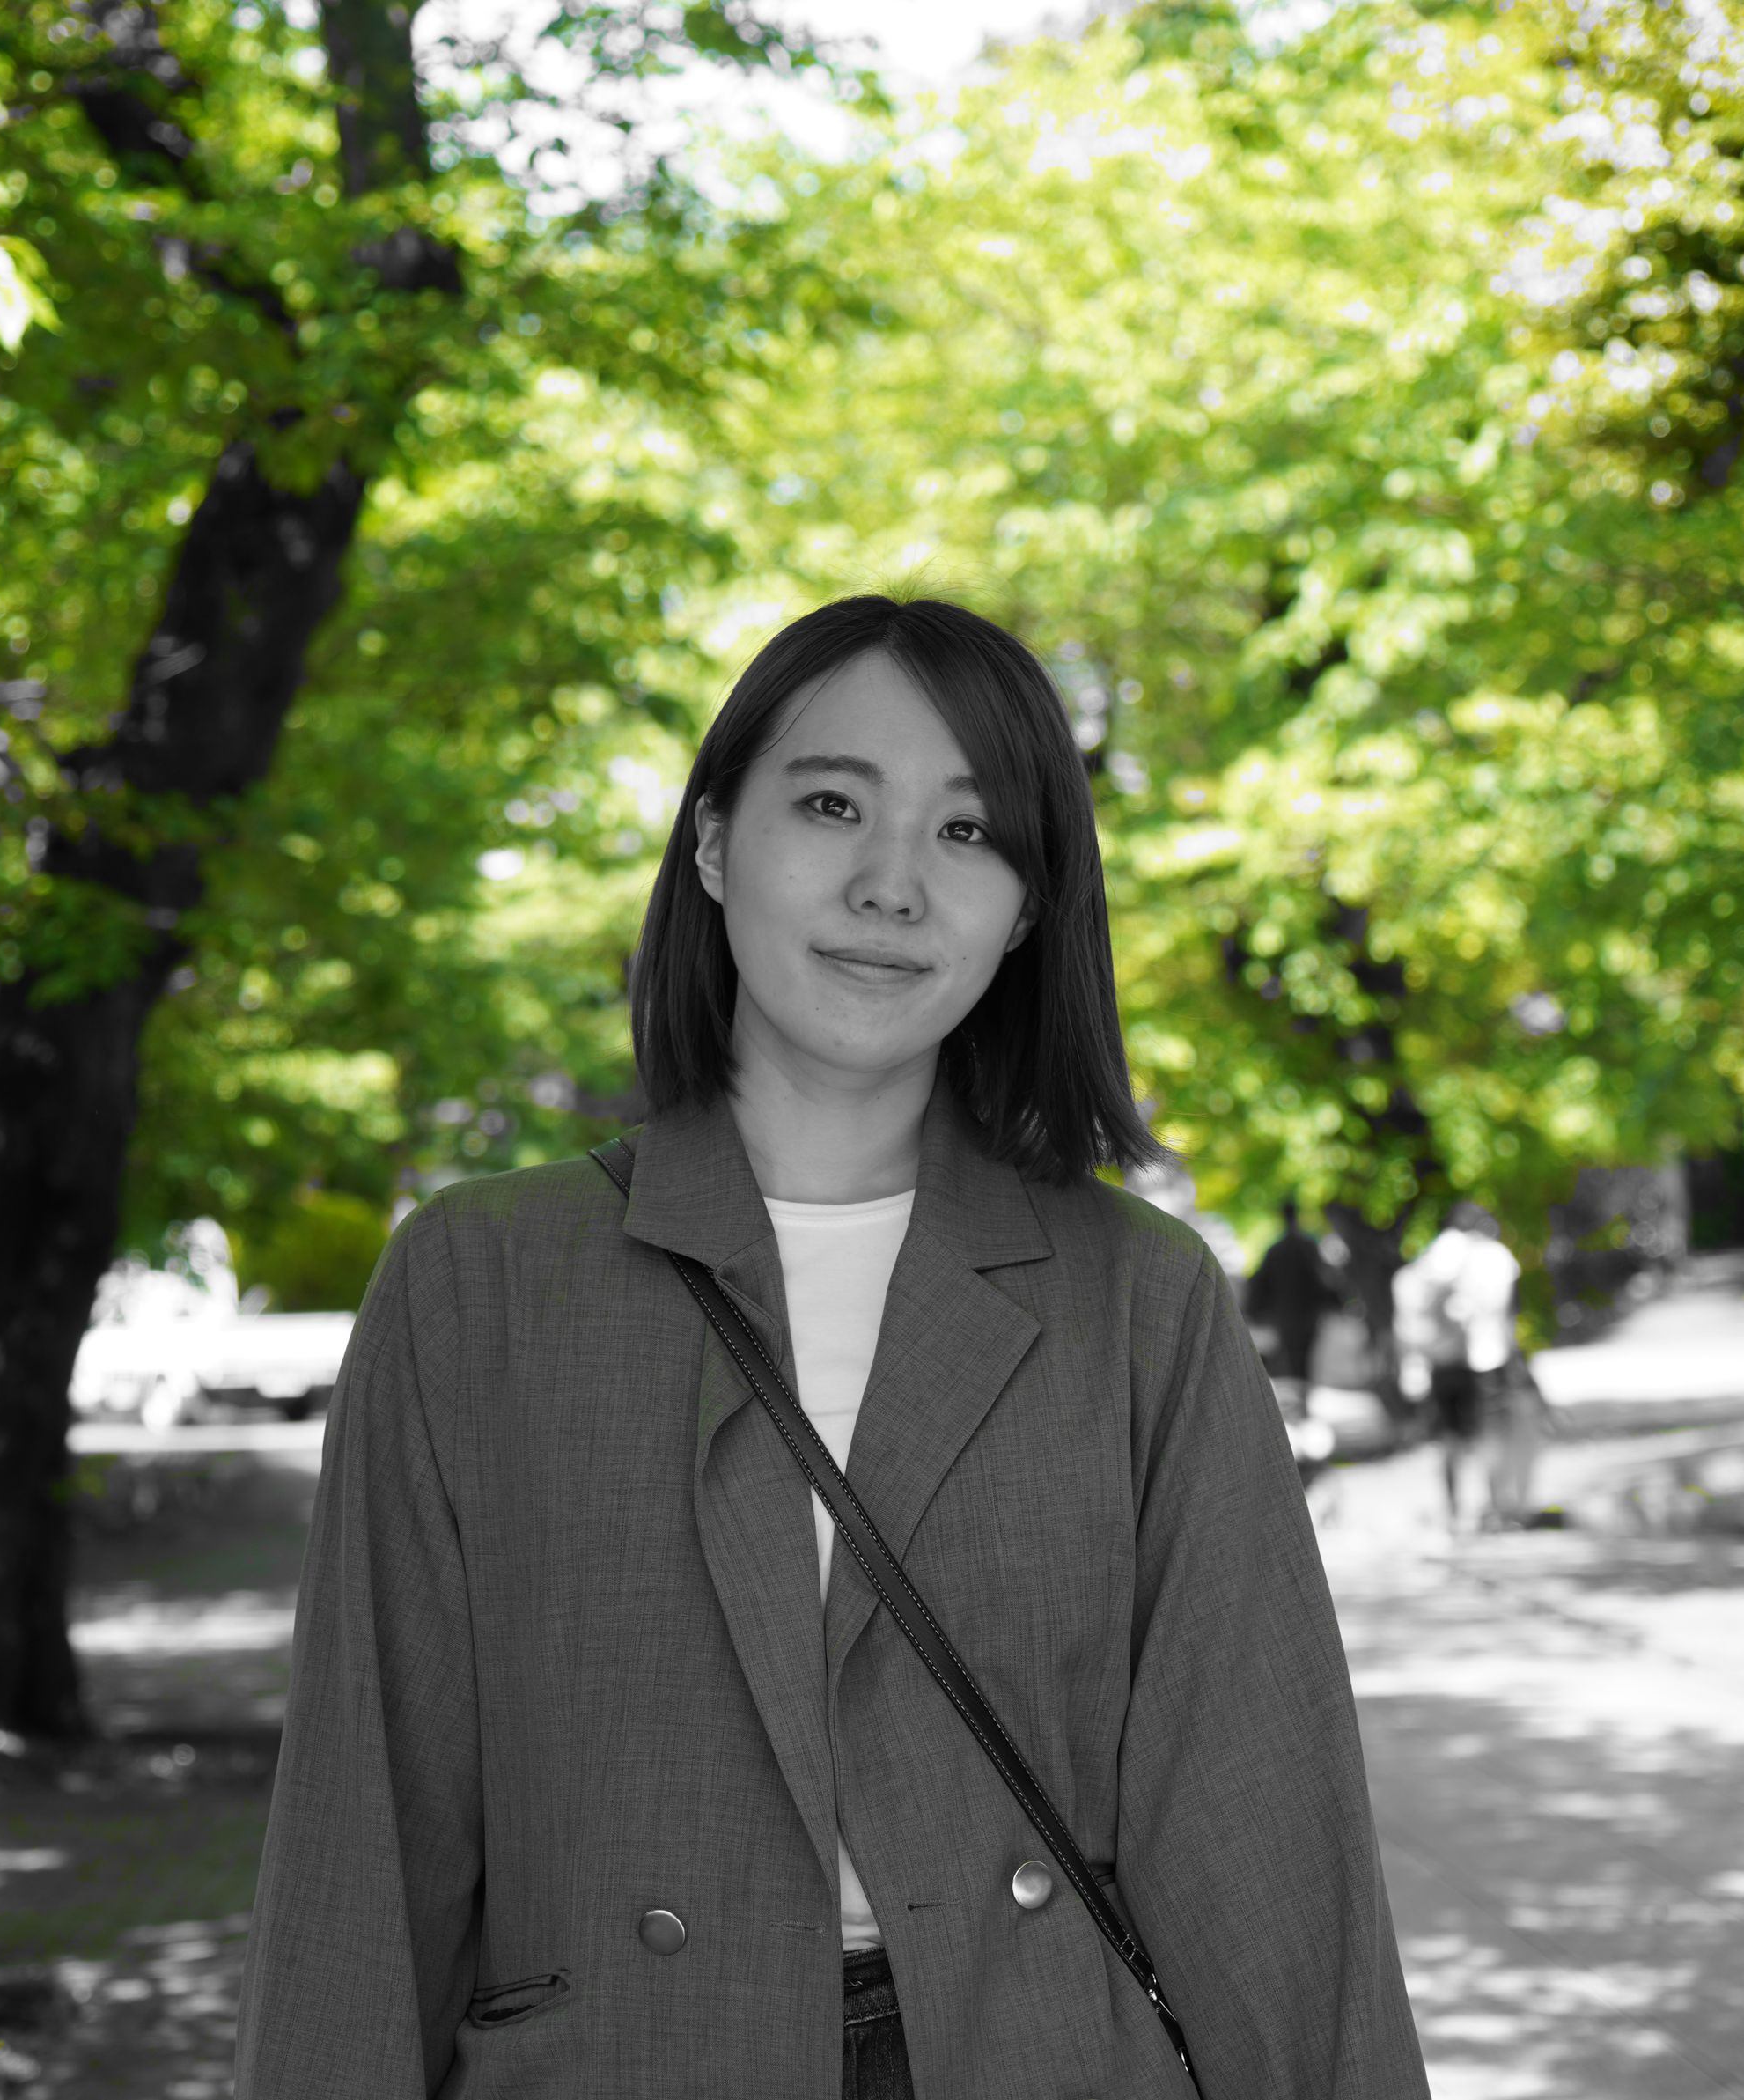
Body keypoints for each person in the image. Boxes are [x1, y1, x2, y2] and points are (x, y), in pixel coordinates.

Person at [234, 598, 1427, 2098]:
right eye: (831, 805)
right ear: (713, 843)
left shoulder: (1140, 1301)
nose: (891, 885)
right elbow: (366, 1833)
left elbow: (1267, 1837)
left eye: (967, 832)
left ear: (1028, 909)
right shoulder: (481, 1282)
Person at [1394, 1203, 1522, 1534]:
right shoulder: (1494, 1255)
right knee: (1488, 1434)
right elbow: (1508, 1313)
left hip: (1443, 1360)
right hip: (1486, 1358)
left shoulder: (1440, 1252)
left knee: (1449, 1438)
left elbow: (1415, 1299)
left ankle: (1454, 1512)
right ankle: (1494, 1509)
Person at [1242, 1196, 1336, 1390]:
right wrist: (1335, 1301)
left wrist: (1253, 1311)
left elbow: (1259, 1283)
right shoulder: (1308, 1246)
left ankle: (1297, 1396)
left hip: (1284, 1316)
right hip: (1307, 1315)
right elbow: (1321, 1279)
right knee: (1302, 1360)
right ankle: (1301, 1396)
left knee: (1290, 1360)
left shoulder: (1275, 1250)